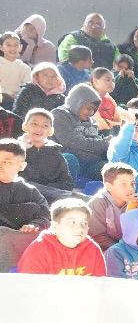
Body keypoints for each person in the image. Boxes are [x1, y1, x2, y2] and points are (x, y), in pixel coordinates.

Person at [16, 197, 105, 275]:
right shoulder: (38, 250)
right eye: (72, 222)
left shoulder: (93, 249)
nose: (80, 228)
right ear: (55, 226)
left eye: (84, 223)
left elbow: (100, 287)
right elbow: (29, 288)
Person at [0, 138, 49, 270]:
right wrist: (28, 210)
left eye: (6, 162)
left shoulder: (30, 192)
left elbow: (44, 216)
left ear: (21, 166)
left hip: (16, 240)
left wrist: (34, 225)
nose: (0, 165)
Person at [17, 108, 75, 204]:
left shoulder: (56, 153)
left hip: (53, 196)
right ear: (25, 126)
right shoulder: (15, 150)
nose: (39, 129)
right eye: (34, 124)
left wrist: (48, 189)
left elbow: (67, 183)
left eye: (45, 126)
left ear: (51, 131)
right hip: (26, 197)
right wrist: (24, 149)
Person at [53, 83, 109, 181]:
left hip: (91, 164)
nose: (91, 113)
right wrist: (104, 143)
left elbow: (96, 143)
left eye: (94, 110)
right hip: (68, 160)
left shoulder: (92, 121)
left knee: (110, 168)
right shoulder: (59, 115)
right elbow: (73, 141)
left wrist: (109, 143)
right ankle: (66, 189)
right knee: (70, 159)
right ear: (77, 103)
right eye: (89, 108)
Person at [106, 112, 138, 209]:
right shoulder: (117, 147)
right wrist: (130, 123)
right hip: (123, 207)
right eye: (136, 128)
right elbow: (122, 145)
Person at [0, 31, 32, 110]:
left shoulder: (24, 68)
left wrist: (18, 96)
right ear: (1, 47)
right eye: (8, 45)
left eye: (16, 45)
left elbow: (27, 88)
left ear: (20, 47)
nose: (13, 48)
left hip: (17, 102)